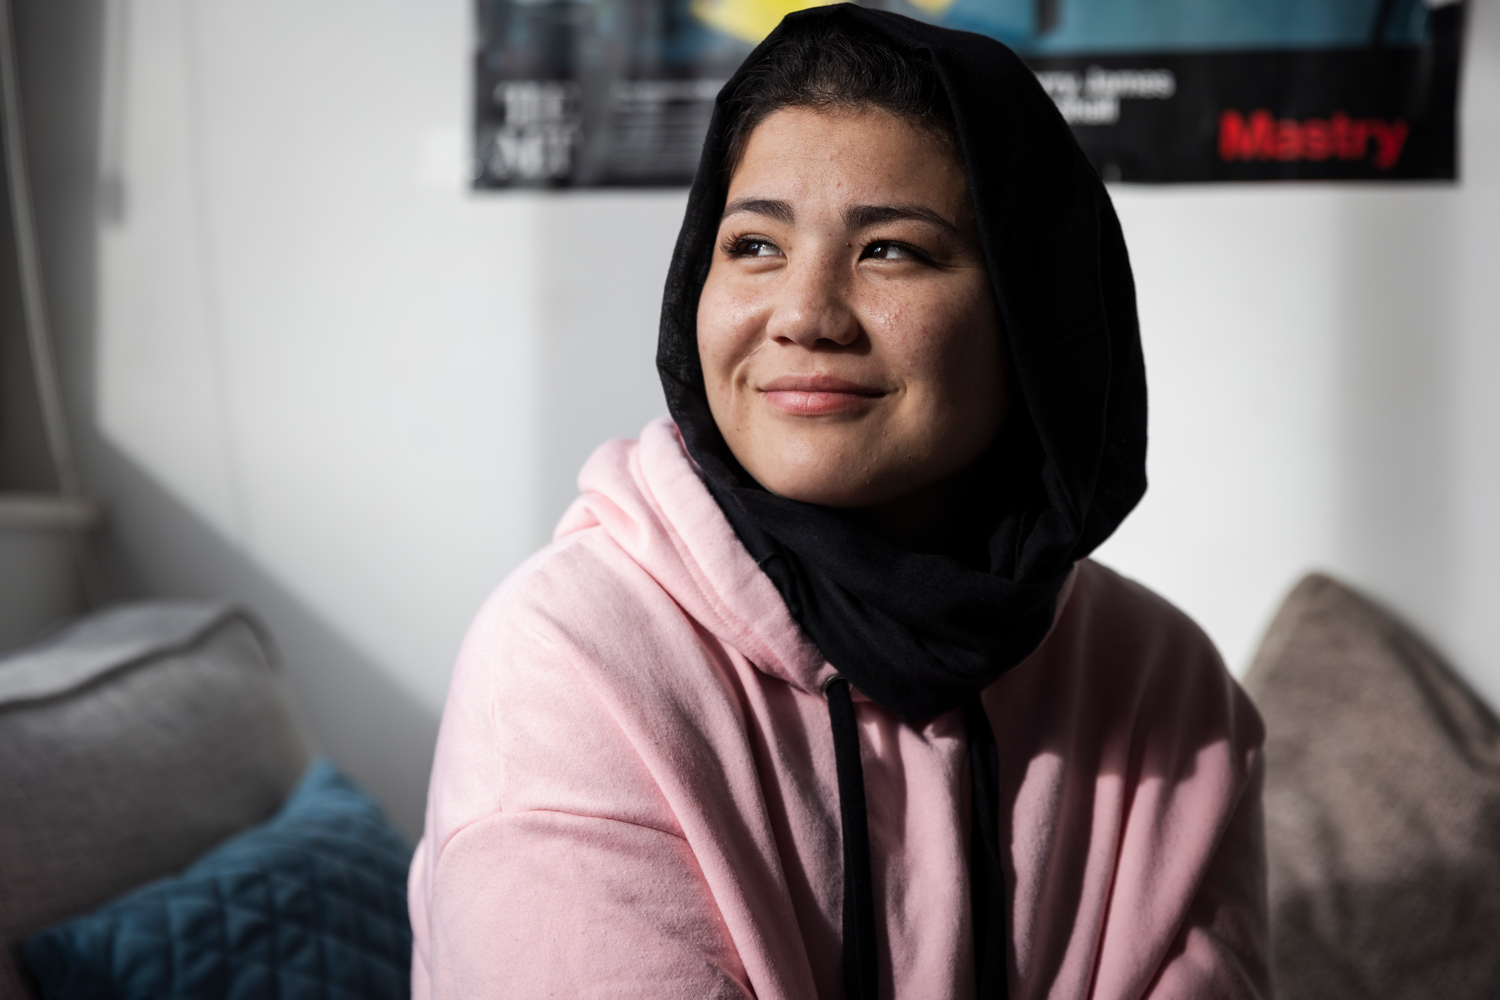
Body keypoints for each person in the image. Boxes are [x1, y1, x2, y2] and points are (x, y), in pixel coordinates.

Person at [408, 6, 1269, 999]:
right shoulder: (569, 657)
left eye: (891, 250)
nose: (806, 315)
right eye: (756, 246)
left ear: (1030, 316)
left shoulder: (1168, 691)